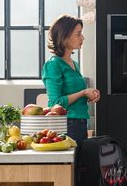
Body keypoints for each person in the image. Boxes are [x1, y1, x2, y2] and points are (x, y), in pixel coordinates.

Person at [42, 14, 100, 146]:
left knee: (79, 166)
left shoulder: (74, 64)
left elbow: (76, 94)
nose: (82, 37)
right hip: (67, 126)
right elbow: (55, 104)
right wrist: (83, 93)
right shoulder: (53, 65)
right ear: (65, 37)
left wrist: (90, 95)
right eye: (78, 34)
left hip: (80, 123)